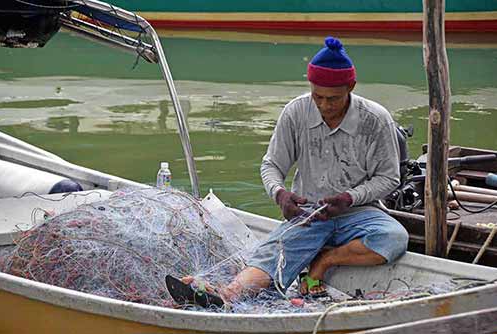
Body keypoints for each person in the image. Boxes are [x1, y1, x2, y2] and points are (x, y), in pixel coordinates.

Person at [167, 36, 409, 306]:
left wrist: (349, 198)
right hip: (310, 214)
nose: (325, 106)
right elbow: (271, 165)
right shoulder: (296, 112)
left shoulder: (375, 119)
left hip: (360, 213)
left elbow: (389, 178)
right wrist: (280, 194)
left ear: (351, 87)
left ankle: (323, 260)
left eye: (333, 99)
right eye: (318, 97)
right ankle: (226, 294)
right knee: (273, 255)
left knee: (394, 237)